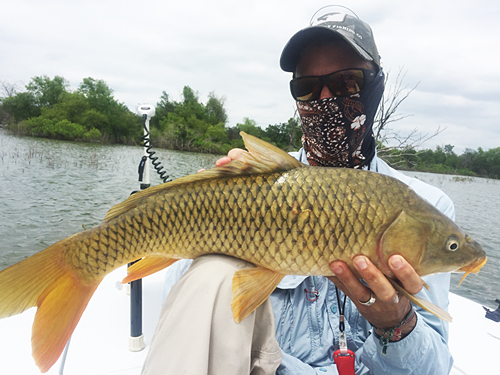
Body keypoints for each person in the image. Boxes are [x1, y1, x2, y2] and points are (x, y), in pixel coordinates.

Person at [142, 11, 454, 375]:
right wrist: (205, 207)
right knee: (213, 271)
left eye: (346, 82)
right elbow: (189, 338)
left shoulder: (424, 209)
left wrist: (396, 323)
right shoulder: (249, 183)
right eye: (306, 87)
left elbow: (432, 369)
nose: (324, 99)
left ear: (376, 86)